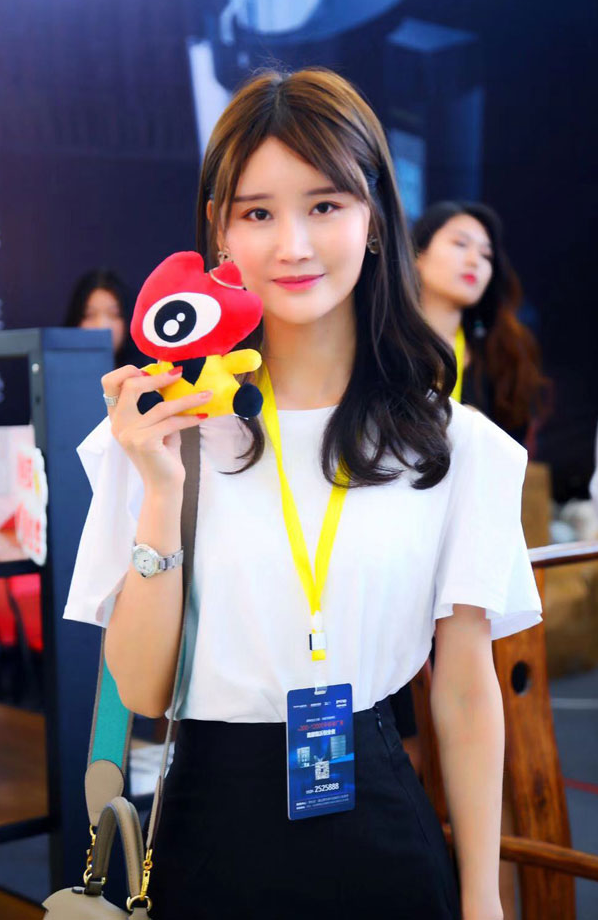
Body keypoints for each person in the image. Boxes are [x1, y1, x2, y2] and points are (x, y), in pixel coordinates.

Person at [64, 68, 542, 920]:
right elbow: (139, 690)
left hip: (387, 842)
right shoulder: (158, 432)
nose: (292, 245)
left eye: (324, 205)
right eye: (257, 213)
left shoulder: (454, 444)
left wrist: (482, 899)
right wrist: (162, 492)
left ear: (374, 217)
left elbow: (467, 689)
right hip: (209, 841)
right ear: (219, 229)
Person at [413, 201, 550, 448]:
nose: (474, 260)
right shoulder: (378, 342)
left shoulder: (500, 360)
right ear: (418, 255)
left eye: (486, 255)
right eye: (460, 244)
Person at [63, 268, 140, 367]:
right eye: (90, 315)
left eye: (114, 314)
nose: (102, 326)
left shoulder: (147, 371)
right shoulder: (57, 369)